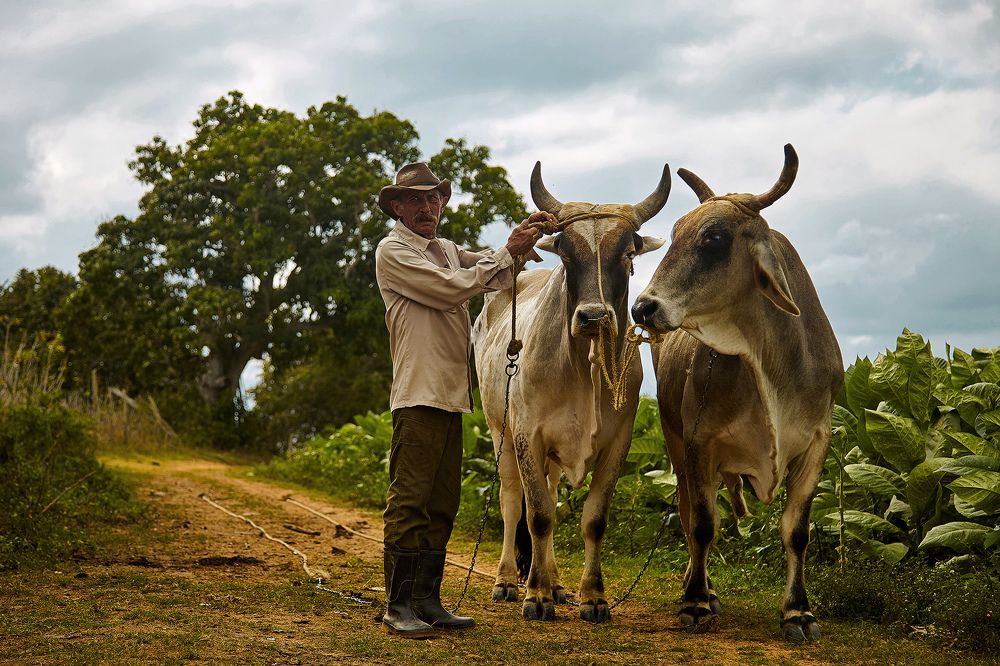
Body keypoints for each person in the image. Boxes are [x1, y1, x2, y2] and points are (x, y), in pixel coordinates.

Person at [374, 162, 553, 637]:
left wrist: (520, 243)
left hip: (451, 396)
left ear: (443, 204)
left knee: (442, 503)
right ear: (397, 207)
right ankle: (399, 606)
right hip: (417, 396)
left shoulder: (447, 250)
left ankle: (427, 601)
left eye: (433, 199)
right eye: (414, 200)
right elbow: (452, 289)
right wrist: (507, 256)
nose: (426, 208)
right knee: (411, 501)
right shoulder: (393, 251)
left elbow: (490, 270)